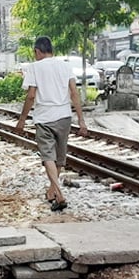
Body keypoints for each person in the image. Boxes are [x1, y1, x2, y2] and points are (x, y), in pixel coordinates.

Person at [15, 36, 87, 211]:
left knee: (48, 156)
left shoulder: (34, 68)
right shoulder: (65, 66)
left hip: (44, 118)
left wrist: (22, 120)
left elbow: (31, 95)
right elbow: (74, 93)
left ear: (37, 51)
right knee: (60, 157)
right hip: (64, 116)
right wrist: (81, 120)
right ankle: (51, 191)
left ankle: (59, 193)